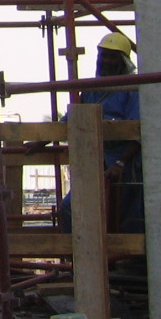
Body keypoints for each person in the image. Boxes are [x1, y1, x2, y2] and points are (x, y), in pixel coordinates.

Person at [60, 31, 144, 234]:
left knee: (125, 216)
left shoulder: (132, 89)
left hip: (124, 165)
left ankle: (125, 262)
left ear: (122, 60)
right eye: (103, 55)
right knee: (70, 208)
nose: (105, 61)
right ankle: (81, 261)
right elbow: (70, 118)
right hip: (94, 161)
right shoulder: (91, 89)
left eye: (111, 56)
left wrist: (120, 162)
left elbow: (139, 130)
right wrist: (40, 141)